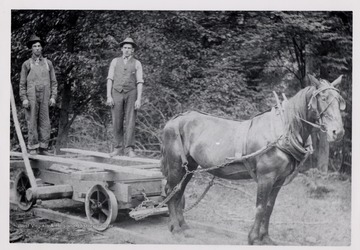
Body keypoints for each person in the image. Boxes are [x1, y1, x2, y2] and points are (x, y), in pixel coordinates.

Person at [19, 35, 58, 155]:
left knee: (45, 121)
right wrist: (24, 98)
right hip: (31, 97)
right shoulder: (27, 64)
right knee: (32, 121)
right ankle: (32, 147)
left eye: (39, 46)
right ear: (31, 49)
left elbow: (53, 82)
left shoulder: (48, 63)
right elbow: (22, 83)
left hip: (45, 96)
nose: (37, 48)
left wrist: (53, 96)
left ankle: (43, 147)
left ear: (42, 48)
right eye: (34, 46)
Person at [106, 37, 144, 157]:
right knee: (116, 120)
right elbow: (110, 79)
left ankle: (129, 149)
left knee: (130, 121)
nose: (127, 50)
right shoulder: (115, 61)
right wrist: (108, 96)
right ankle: (118, 148)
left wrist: (138, 99)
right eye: (125, 48)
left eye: (129, 48)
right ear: (122, 49)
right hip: (116, 92)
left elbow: (140, 82)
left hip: (131, 93)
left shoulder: (137, 63)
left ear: (133, 50)